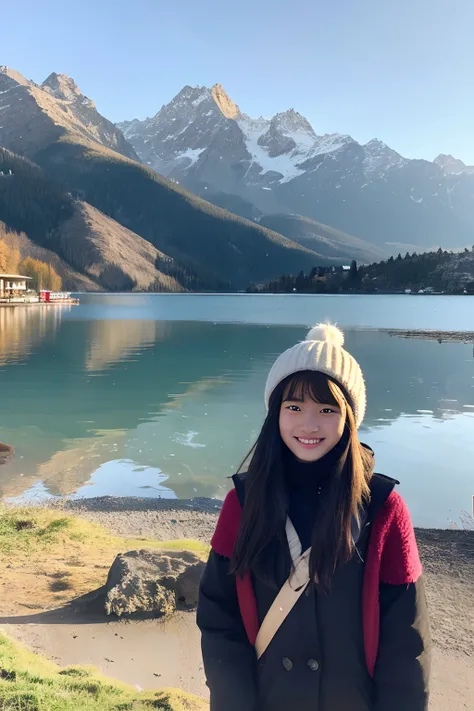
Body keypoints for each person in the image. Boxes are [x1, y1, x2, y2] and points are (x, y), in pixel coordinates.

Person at [197, 323, 431, 711]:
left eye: (327, 409)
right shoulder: (243, 504)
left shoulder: (384, 510)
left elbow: (407, 643)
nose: (309, 424)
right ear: (275, 413)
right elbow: (219, 619)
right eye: (294, 407)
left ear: (349, 418)